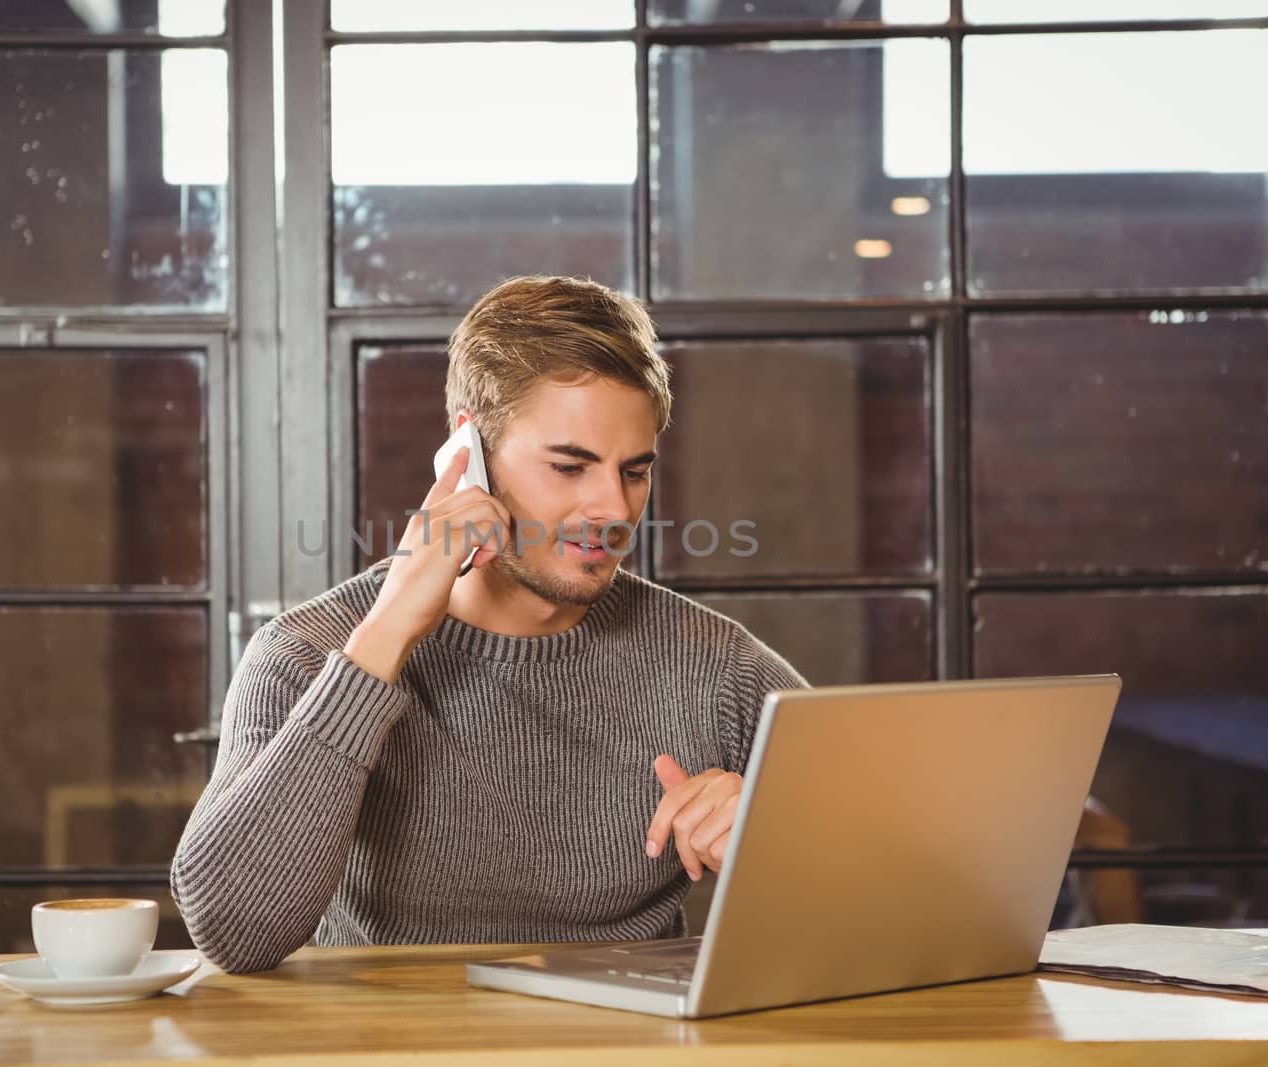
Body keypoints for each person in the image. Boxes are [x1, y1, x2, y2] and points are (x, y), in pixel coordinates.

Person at [171, 275, 809, 973]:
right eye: (570, 465)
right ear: (468, 452)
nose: (613, 509)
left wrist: (784, 834)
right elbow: (231, 932)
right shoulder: (303, 653)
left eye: (634, 471)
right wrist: (381, 643)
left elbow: (923, 876)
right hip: (387, 1050)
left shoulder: (716, 666)